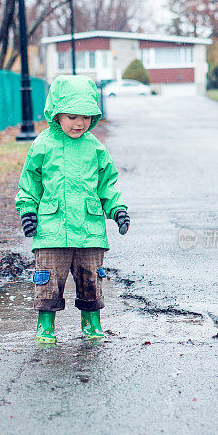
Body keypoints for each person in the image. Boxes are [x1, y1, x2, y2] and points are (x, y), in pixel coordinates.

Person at [15, 74, 130, 345]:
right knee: (48, 279)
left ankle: (91, 322)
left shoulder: (96, 149)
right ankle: (46, 326)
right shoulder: (43, 145)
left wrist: (117, 209)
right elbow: (30, 181)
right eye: (72, 116)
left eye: (86, 117)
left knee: (91, 278)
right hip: (52, 228)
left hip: (89, 229)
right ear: (56, 113)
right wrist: (28, 211)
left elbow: (107, 185)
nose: (79, 123)